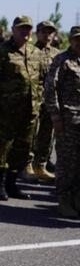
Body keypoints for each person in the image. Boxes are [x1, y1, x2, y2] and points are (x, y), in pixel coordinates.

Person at [0, 15, 43, 201]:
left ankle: (12, 184)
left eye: (28, 28)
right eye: (21, 28)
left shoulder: (35, 53)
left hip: (30, 111)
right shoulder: (1, 52)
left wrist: (39, 103)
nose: (25, 32)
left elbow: (41, 80)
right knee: (3, 147)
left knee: (23, 148)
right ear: (13, 29)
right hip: (7, 111)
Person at [42, 26, 80, 218]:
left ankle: (76, 199)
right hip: (68, 121)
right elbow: (50, 90)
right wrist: (56, 117)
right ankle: (64, 200)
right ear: (70, 40)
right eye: (76, 39)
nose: (79, 42)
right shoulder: (62, 61)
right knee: (66, 162)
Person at [28, 20, 60, 183]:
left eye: (50, 32)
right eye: (44, 32)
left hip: (50, 101)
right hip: (34, 99)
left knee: (47, 134)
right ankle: (27, 164)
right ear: (37, 33)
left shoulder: (57, 54)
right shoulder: (31, 51)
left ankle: (42, 163)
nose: (47, 35)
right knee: (32, 133)